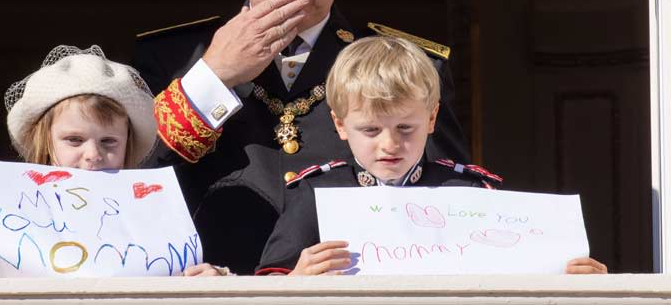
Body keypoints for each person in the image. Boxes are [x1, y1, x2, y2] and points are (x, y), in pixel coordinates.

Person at [134, 0, 469, 273]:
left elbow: (449, 203)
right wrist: (213, 77)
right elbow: (127, 185)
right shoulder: (171, 58)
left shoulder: (410, 65)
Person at [255, 36, 607, 276]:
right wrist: (296, 279)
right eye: (371, 130)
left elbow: (517, 274)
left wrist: (569, 276)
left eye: (405, 128)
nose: (389, 144)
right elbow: (263, 286)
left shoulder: (468, 190)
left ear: (432, 118)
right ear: (340, 124)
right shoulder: (315, 194)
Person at [0, 45, 228, 278]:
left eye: (109, 141)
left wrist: (210, 284)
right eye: (74, 140)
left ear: (128, 146)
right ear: (45, 142)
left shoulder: (162, 218)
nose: (93, 155)